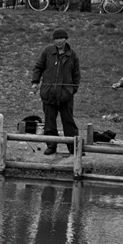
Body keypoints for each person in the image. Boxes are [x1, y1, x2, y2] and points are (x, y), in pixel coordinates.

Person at [31, 27, 80, 155]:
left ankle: (73, 148)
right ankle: (51, 146)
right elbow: (38, 67)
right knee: (49, 123)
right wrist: (35, 82)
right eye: (56, 39)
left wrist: (72, 90)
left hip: (65, 96)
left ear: (66, 39)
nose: (59, 41)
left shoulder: (72, 55)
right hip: (49, 94)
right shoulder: (47, 52)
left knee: (69, 122)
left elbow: (76, 75)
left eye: (61, 38)